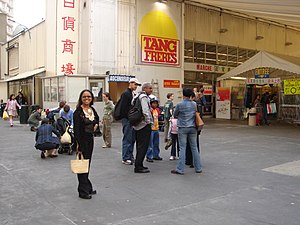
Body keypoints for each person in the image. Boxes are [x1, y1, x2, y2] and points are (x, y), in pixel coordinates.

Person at [73, 89, 99, 199]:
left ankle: (87, 186)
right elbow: (77, 130)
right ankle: (82, 191)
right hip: (82, 140)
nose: (87, 98)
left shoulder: (92, 109)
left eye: (89, 97)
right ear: (81, 99)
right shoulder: (78, 112)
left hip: (90, 139)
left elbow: (97, 119)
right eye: (84, 97)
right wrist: (78, 144)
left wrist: (96, 126)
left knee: (87, 164)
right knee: (82, 166)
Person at [171, 88, 202, 175]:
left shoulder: (179, 104)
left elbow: (175, 115)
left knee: (182, 148)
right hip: (193, 127)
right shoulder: (194, 104)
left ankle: (180, 169)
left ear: (183, 95)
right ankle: (198, 167)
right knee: (194, 147)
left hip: (183, 127)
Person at [132, 82, 153, 173]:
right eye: (150, 88)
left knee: (139, 145)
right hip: (144, 125)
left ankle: (138, 163)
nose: (151, 90)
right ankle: (139, 166)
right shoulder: (143, 97)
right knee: (143, 146)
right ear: (145, 89)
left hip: (137, 125)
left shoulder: (136, 97)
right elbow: (145, 111)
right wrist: (149, 122)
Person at [119, 78, 141, 165]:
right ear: (130, 83)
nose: (136, 87)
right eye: (135, 84)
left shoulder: (131, 93)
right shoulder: (126, 94)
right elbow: (124, 108)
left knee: (131, 139)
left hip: (130, 119)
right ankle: (126, 157)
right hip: (128, 119)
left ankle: (130, 156)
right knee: (127, 138)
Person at [146, 97, 162, 162]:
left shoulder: (156, 110)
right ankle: (149, 156)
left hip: (156, 128)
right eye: (153, 103)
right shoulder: (150, 110)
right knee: (150, 144)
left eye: (156, 103)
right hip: (151, 129)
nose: (155, 105)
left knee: (156, 143)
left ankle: (156, 155)